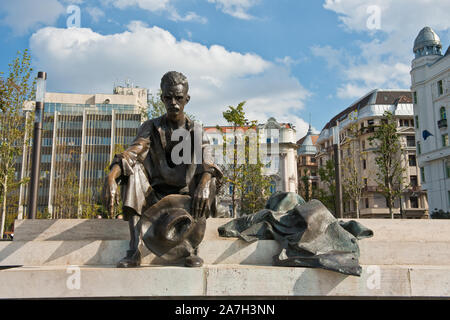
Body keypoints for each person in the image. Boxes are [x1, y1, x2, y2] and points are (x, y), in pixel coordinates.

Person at [103, 71, 222, 268]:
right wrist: (111, 177)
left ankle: (192, 249)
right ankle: (135, 249)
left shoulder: (196, 131)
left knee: (209, 178)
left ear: (187, 99)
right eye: (168, 97)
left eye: (179, 98)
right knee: (134, 172)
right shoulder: (150, 126)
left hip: (187, 199)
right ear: (162, 98)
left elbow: (208, 162)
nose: (173, 103)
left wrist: (204, 182)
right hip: (155, 196)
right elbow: (132, 154)